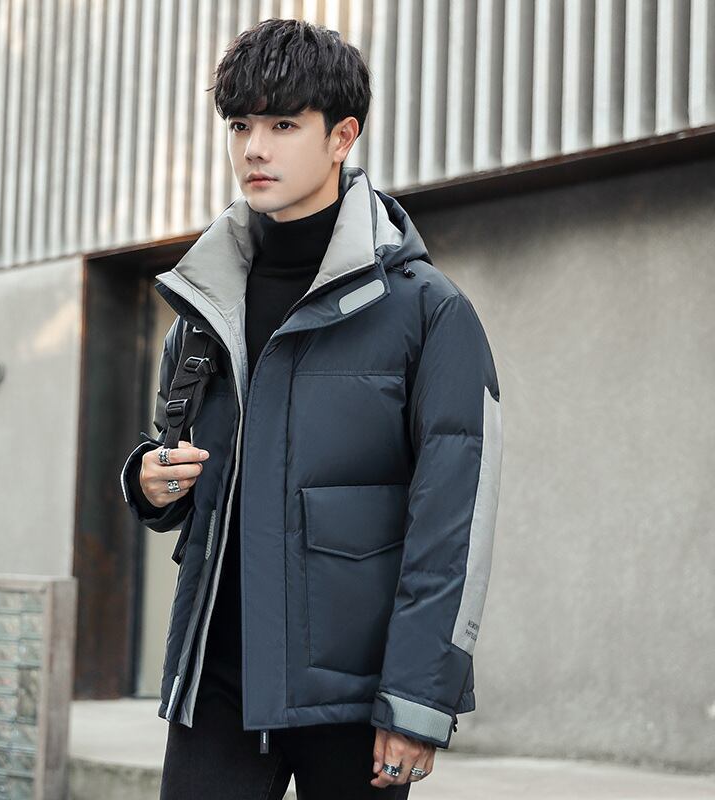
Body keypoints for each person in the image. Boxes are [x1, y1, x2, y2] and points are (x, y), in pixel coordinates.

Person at [120, 17, 503, 799]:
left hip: (356, 700)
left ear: (341, 137)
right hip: (218, 684)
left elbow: (453, 528)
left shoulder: (427, 311)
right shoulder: (205, 306)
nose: (254, 149)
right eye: (240, 126)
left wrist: (419, 698)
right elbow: (183, 467)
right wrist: (149, 482)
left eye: (283, 125)